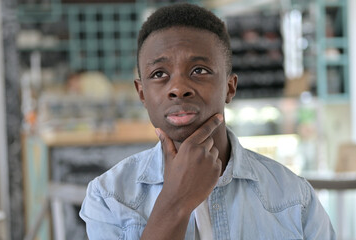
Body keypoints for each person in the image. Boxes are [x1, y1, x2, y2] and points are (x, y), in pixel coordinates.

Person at [80, 3, 336, 240]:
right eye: (159, 74)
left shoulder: (293, 197)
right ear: (142, 93)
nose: (178, 88)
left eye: (199, 70)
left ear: (229, 87)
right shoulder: (108, 196)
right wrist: (177, 201)